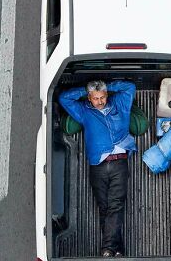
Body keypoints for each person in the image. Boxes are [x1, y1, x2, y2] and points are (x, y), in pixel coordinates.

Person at [58, 80, 137, 257]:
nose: (100, 101)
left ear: (107, 95)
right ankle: (117, 250)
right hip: (97, 166)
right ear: (89, 98)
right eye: (95, 98)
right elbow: (64, 98)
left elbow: (129, 87)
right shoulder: (85, 112)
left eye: (102, 97)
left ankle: (107, 250)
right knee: (105, 208)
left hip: (119, 163)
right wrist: (84, 89)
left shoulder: (120, 104)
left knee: (115, 205)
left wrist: (108, 86)